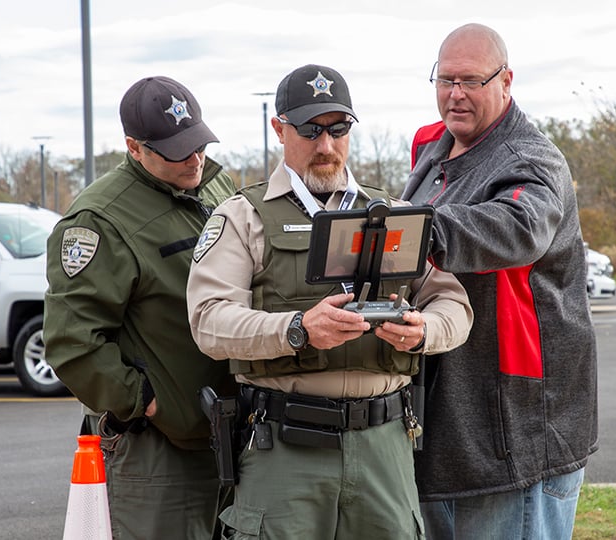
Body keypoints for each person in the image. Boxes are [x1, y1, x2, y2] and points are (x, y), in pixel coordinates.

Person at [186, 64, 473, 539]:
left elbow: (454, 305)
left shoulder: (395, 214)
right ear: (279, 130)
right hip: (284, 447)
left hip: (385, 446)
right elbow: (209, 321)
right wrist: (296, 329)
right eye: (309, 130)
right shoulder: (242, 216)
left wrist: (426, 331)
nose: (326, 146)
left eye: (338, 129)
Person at [401, 23, 599, 539]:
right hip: (446, 436)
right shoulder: (432, 151)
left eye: (470, 81)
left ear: (507, 81)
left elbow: (520, 227)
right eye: (445, 80)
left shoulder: (531, 161)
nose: (455, 94)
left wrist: (415, 231)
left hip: (516, 436)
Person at [44, 76, 237, 540]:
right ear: (134, 147)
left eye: (198, 143)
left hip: (230, 434)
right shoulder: (100, 220)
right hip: (158, 451)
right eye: (175, 151)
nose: (194, 159)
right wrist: (146, 402)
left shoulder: (215, 186)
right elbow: (72, 342)